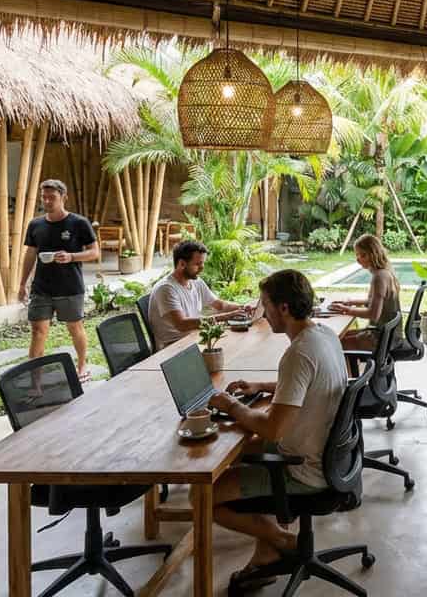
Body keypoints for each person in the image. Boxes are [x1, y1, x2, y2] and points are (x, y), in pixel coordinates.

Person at [207, 270, 348, 592]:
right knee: (238, 453)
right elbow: (309, 384)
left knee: (204, 495)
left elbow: (273, 429)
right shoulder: (323, 335)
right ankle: (266, 553)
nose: (262, 312)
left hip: (303, 471)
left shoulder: (297, 353)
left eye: (265, 304)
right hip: (329, 456)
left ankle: (281, 539)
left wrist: (230, 406)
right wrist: (260, 386)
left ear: (283, 308)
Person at [17, 179, 99, 382]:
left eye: (51, 197)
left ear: (64, 197)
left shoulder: (79, 223)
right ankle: (35, 379)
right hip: (41, 287)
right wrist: (22, 284)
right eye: (43, 197)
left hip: (70, 287)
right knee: (38, 331)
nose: (46, 201)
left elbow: (94, 252)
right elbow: (30, 254)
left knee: (75, 328)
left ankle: (82, 366)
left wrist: (72, 256)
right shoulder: (36, 224)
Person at [148, 240, 253, 349]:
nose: (202, 268)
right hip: (173, 348)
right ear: (182, 264)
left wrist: (241, 308)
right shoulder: (166, 288)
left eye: (203, 263)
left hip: (194, 338)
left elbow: (219, 305)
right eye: (198, 264)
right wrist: (225, 317)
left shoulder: (196, 281)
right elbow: (182, 325)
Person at [331, 234, 401, 353]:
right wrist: (350, 303)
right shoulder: (385, 272)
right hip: (388, 334)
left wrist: (345, 310)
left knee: (334, 344)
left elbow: (373, 314)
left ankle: (347, 371)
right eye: (357, 254)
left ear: (374, 255)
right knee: (338, 337)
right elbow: (375, 302)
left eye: (363, 255)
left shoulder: (379, 277)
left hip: (382, 338)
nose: (358, 259)